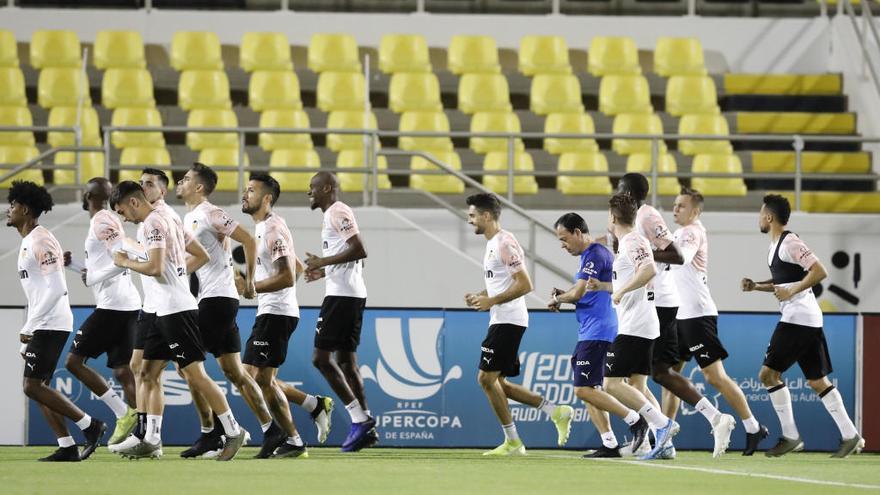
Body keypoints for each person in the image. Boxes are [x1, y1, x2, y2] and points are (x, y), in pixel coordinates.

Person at [110, 181, 248, 461]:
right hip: (163, 309)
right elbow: (194, 255)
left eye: (121, 210)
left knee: (194, 374)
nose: (123, 217)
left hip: (176, 309)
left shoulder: (151, 224)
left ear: (134, 202)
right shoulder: (169, 217)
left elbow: (156, 267)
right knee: (146, 371)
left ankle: (233, 430)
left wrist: (125, 261)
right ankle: (151, 438)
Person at [177, 163, 294, 459]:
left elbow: (248, 240)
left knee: (186, 365)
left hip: (217, 299)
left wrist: (252, 282)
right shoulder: (189, 217)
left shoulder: (210, 213)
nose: (181, 182)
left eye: (187, 179)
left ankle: (213, 433)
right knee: (235, 372)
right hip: (217, 298)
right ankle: (272, 431)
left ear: (200, 187)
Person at [742, 194, 863, 458]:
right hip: (806, 318)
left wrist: (793, 290)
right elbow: (783, 284)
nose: (759, 218)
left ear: (769, 217)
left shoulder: (790, 242)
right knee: (817, 381)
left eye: (761, 214)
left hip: (798, 319)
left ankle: (791, 436)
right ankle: (851, 435)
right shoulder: (775, 246)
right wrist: (757, 287)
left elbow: (819, 271)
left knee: (767, 375)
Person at [463, 193, 573, 456]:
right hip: (503, 318)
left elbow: (525, 284)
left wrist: (492, 301)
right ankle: (555, 411)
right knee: (500, 384)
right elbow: (502, 283)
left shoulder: (504, 243)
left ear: (486, 216)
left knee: (485, 380)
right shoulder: (493, 243)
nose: (469, 221)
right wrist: (483, 296)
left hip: (508, 320)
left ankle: (513, 442)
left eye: (472, 215)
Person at [618, 172, 719, 457]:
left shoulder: (648, 216)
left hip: (660, 302)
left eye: (620, 190)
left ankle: (712, 417)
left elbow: (676, 255)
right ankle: (662, 439)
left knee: (657, 373)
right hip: (649, 301)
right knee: (640, 378)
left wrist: (643, 255)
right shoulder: (635, 220)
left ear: (629, 193)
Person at [7, 180, 106, 462]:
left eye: (13, 205)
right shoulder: (29, 242)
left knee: (32, 386)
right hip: (44, 321)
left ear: (25, 209)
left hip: (51, 322)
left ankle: (91, 425)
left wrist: (29, 326)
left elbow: (56, 288)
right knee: (40, 387)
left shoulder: (41, 240)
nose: (8, 210)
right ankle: (67, 446)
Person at [240, 173, 333, 458]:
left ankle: (292, 437)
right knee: (256, 378)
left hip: (276, 314)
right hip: (274, 311)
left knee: (253, 379)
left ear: (267, 198)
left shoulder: (271, 230)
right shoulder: (265, 228)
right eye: (246, 189)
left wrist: (252, 286)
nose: (245, 194)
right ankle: (312, 407)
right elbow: (297, 268)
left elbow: (287, 277)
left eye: (252, 191)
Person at [670, 188, 768, 456]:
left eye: (681, 206)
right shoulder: (678, 233)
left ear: (695, 211)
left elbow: (682, 258)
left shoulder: (693, 232)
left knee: (714, 377)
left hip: (697, 316)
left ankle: (752, 426)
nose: (675, 209)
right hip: (679, 316)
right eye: (675, 205)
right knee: (669, 376)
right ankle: (664, 435)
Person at [548, 212, 649, 458]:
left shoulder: (594, 253)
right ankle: (610, 443)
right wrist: (565, 294)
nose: (562, 245)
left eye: (564, 239)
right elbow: (584, 290)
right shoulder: (589, 256)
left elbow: (579, 293)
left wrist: (559, 298)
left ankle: (636, 420)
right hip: (591, 331)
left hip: (599, 332)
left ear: (578, 233)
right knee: (588, 387)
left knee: (584, 389)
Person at [63, 177, 140, 447]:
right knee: (122, 371)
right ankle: (144, 434)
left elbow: (122, 259)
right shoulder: (110, 220)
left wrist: (94, 277)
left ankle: (123, 413)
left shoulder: (102, 220)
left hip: (113, 306)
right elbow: (103, 267)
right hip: (127, 303)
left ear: (87, 197)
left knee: (73, 362)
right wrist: (74, 266)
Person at [602, 193, 679, 461]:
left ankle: (662, 424)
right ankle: (664, 444)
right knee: (639, 386)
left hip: (636, 324)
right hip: (641, 322)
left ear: (612, 217)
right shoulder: (629, 241)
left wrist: (621, 291)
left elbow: (649, 270)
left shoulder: (632, 240)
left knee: (611, 384)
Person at [304, 172, 376, 452]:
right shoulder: (333, 215)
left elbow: (360, 250)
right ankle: (367, 424)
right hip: (350, 293)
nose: (309, 192)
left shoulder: (338, 211)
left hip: (341, 298)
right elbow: (353, 258)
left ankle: (359, 419)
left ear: (327, 188)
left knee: (320, 359)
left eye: (313, 187)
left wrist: (323, 260)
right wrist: (324, 270)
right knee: (346, 362)